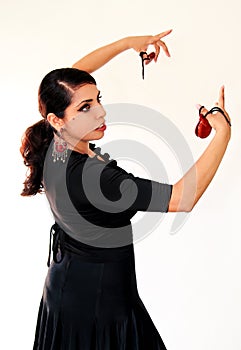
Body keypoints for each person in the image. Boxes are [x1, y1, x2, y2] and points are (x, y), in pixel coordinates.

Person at [20, 30, 231, 350]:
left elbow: (69, 80)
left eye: (98, 100)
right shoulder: (97, 179)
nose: (100, 112)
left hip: (67, 290)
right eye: (86, 108)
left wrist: (126, 44)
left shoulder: (54, 141)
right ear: (57, 118)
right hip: (99, 309)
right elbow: (180, 198)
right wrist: (223, 135)